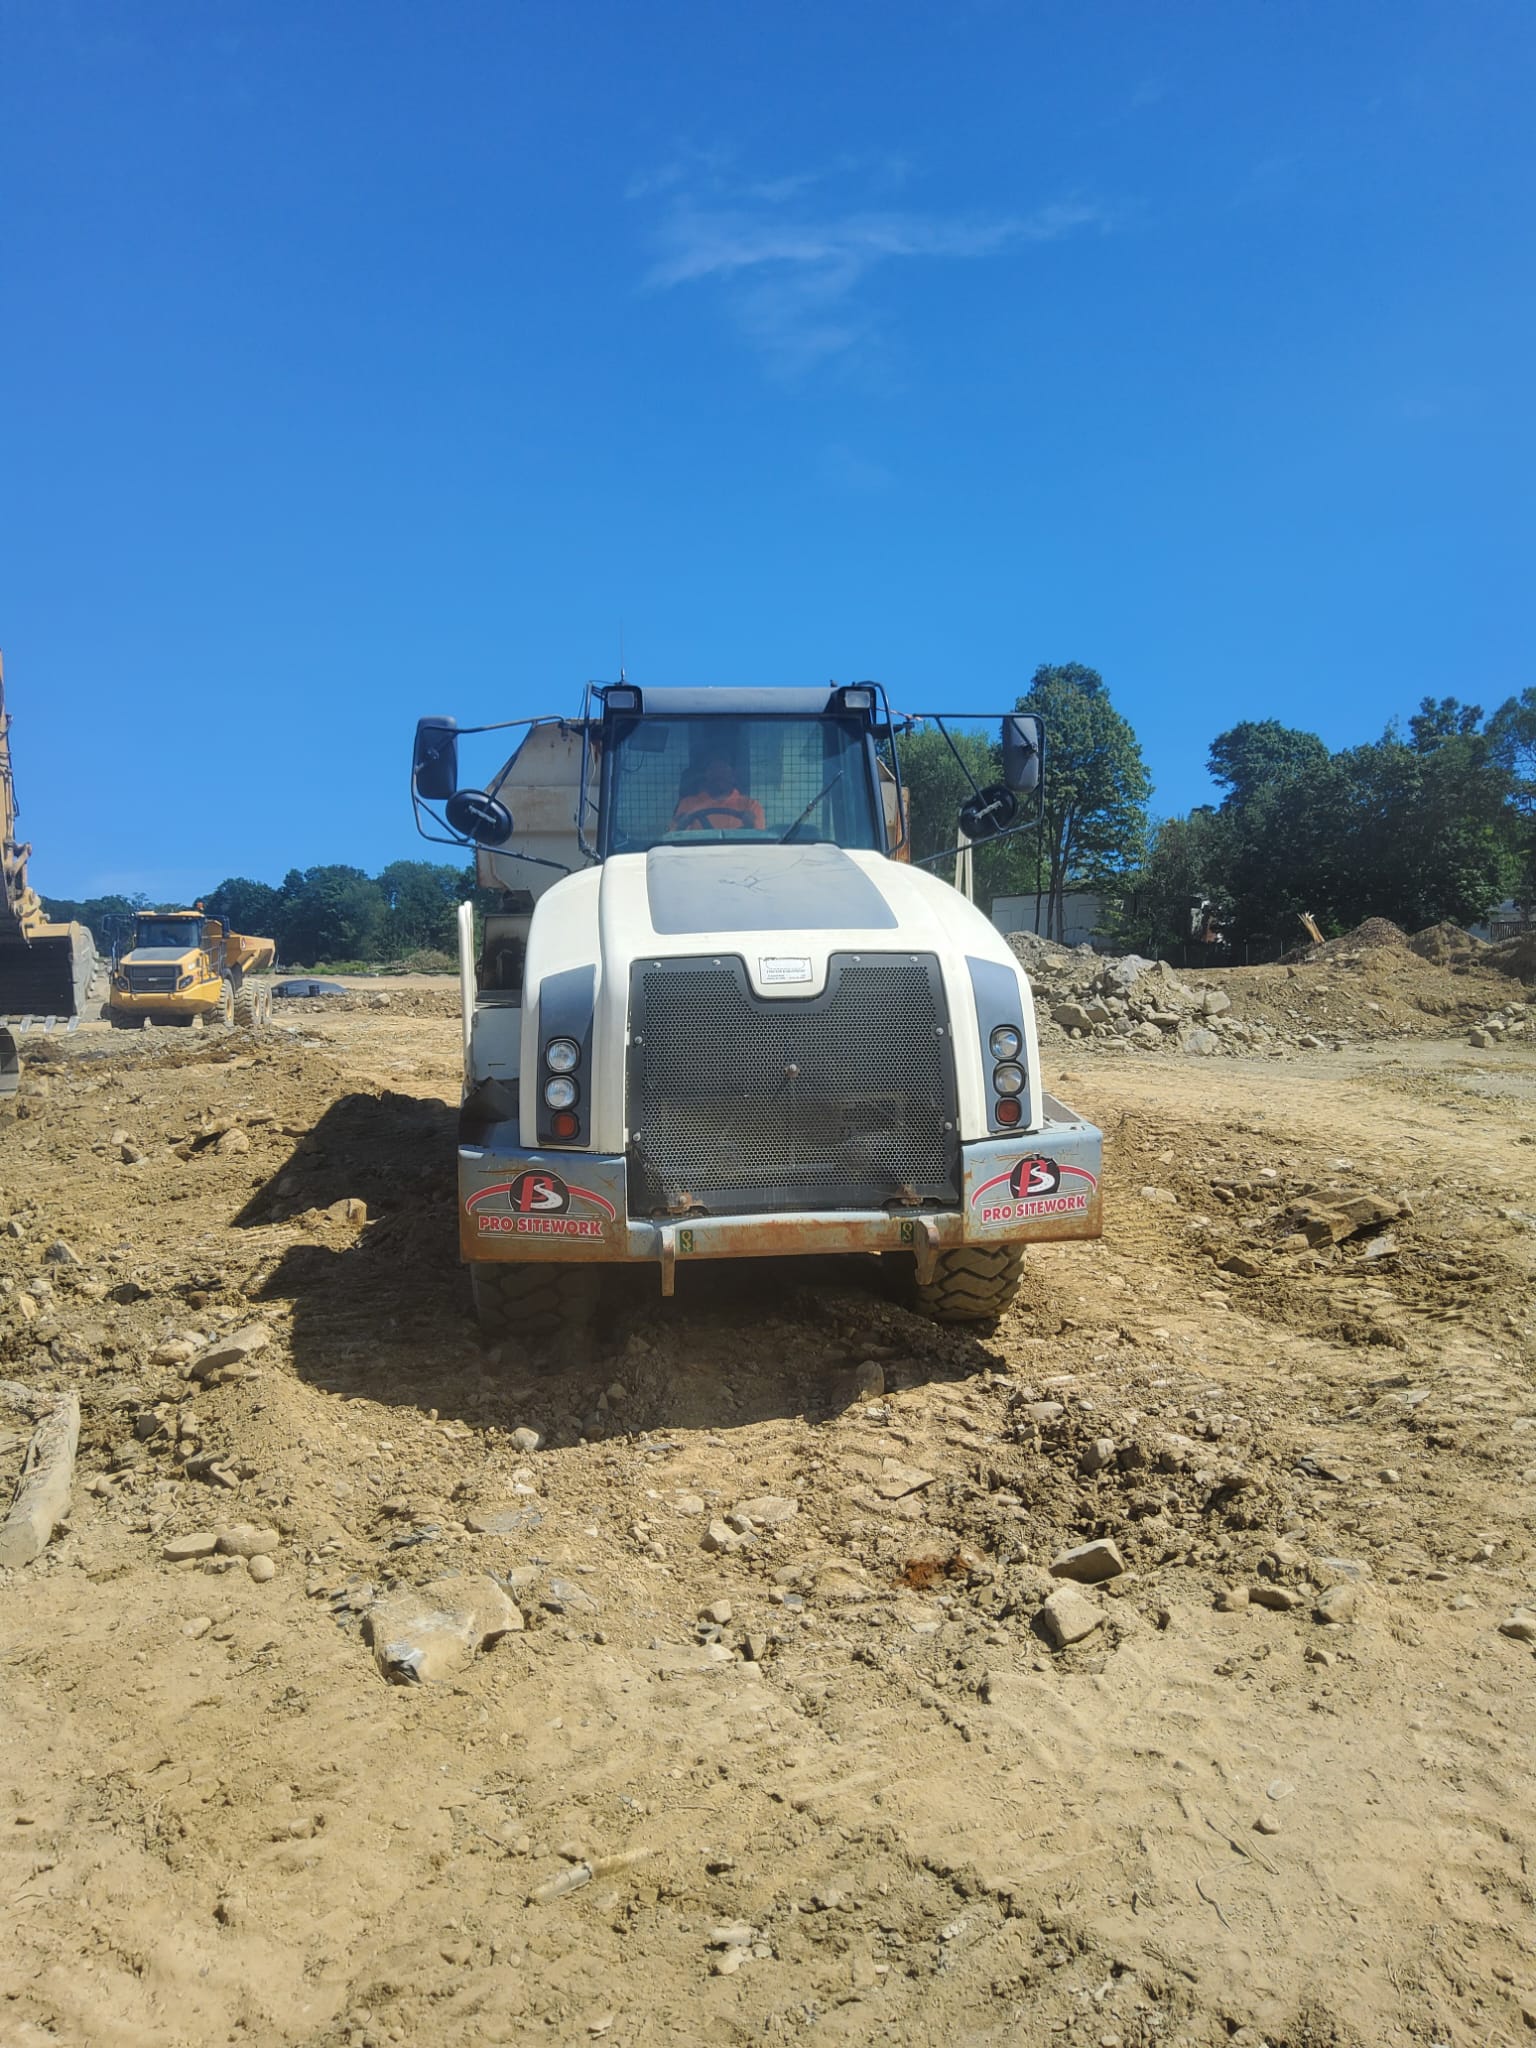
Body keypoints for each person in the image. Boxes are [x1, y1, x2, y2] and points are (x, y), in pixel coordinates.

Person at [671, 753, 765, 832]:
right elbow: (673, 839)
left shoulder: (750, 806)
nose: (719, 774)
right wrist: (682, 824)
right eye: (714, 770)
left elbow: (760, 844)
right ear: (705, 776)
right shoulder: (687, 804)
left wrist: (752, 825)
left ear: (733, 776)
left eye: (724, 770)